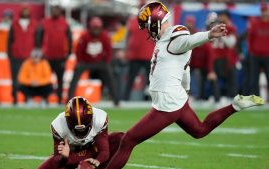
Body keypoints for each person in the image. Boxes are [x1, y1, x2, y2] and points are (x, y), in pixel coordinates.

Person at [105, 2, 264, 169]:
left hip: (167, 104)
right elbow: (184, 67)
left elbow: (188, 41)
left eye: (147, 26)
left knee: (128, 140)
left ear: (155, 22)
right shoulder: (166, 37)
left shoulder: (175, 36)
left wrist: (208, 34)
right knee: (200, 130)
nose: (146, 30)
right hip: (176, 98)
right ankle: (235, 105)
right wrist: (186, 88)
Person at [37, 96, 124, 169]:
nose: (81, 133)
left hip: (93, 150)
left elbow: (104, 151)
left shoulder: (99, 119)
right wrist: (64, 157)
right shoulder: (58, 125)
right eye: (77, 130)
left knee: (120, 138)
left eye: (84, 128)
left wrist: (97, 161)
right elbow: (57, 159)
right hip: (73, 154)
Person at [68, 17, 119, 106]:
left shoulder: (105, 36)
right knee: (75, 76)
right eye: (94, 28)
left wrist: (106, 61)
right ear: (91, 28)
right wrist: (80, 62)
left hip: (100, 62)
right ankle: (69, 99)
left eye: (97, 28)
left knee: (110, 76)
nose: (96, 31)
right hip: (86, 62)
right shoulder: (84, 36)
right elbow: (78, 50)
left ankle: (116, 100)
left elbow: (109, 50)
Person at [36, 4, 73, 104]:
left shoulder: (64, 23)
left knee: (60, 79)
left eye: (57, 10)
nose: (55, 12)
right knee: (46, 79)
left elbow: (69, 39)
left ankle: (60, 99)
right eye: (53, 10)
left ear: (60, 12)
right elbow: (39, 37)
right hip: (47, 56)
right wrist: (40, 51)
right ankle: (45, 99)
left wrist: (68, 53)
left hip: (60, 57)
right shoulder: (45, 22)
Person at [123, 5, 155, 101]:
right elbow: (127, 36)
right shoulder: (133, 21)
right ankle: (125, 99)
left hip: (147, 54)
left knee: (151, 79)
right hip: (135, 55)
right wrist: (126, 50)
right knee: (131, 78)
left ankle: (152, 99)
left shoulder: (152, 21)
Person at [8, 5, 38, 104]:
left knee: (28, 79)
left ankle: (27, 98)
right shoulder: (14, 24)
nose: (25, 12)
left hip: (29, 57)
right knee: (15, 78)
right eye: (23, 10)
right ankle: (15, 99)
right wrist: (10, 54)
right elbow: (10, 40)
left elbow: (36, 40)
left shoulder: (34, 24)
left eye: (27, 10)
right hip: (16, 56)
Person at [185, 15, 219, 102]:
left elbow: (209, 55)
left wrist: (210, 71)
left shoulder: (198, 36)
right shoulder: (183, 37)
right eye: (187, 25)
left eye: (190, 24)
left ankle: (216, 98)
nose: (189, 27)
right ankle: (190, 95)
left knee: (211, 76)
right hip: (189, 65)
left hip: (203, 65)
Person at [248, 3, 269, 96]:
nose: (264, 13)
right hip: (256, 55)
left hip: (268, 55)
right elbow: (250, 38)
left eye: (265, 11)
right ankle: (256, 99)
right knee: (254, 78)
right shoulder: (255, 24)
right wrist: (251, 52)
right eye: (262, 11)